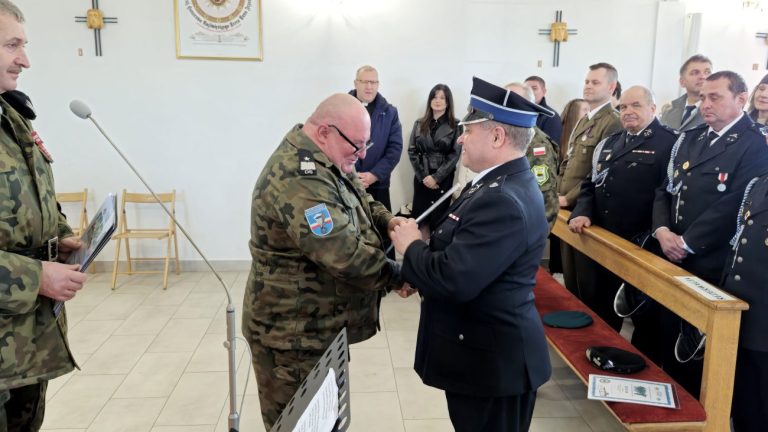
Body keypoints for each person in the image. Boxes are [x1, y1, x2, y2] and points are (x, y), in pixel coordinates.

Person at [391, 77, 552, 432]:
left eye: (468, 130)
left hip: (495, 366)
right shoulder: (492, 184)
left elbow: (455, 278)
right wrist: (415, 274)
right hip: (480, 359)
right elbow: (458, 252)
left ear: (497, 137)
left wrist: (411, 246)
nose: (460, 138)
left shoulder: (502, 198)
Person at [242, 93, 406, 430]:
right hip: (292, 339)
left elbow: (361, 198)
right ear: (324, 132)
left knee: (325, 420)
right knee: (301, 425)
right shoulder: (298, 177)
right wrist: (403, 274)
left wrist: (389, 222)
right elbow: (344, 255)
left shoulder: (327, 158)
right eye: (357, 145)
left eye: (366, 144)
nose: (362, 154)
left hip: (318, 331)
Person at [651, 71, 768, 397]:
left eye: (715, 97)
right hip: (670, 253)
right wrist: (662, 230)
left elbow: (736, 204)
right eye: (703, 97)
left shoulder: (754, 144)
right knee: (665, 336)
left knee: (695, 352)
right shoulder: (691, 138)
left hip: (710, 262)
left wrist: (687, 243)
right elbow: (665, 189)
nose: (705, 104)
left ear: (741, 99)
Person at [0, 1, 87, 430]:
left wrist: (60, 235)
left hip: (21, 348)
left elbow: (33, 195)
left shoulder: (12, 114)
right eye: (12, 45)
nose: (25, 60)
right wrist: (36, 276)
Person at [568, 86, 677, 331]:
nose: (628, 111)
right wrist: (582, 211)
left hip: (642, 244)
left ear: (653, 108)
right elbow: (590, 183)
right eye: (623, 107)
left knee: (643, 319)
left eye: (636, 105)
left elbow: (668, 194)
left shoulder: (670, 143)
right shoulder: (610, 142)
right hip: (605, 239)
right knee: (602, 311)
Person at [558, 63, 623, 294]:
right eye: (587, 81)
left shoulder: (613, 121)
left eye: (595, 82)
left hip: (586, 209)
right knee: (570, 278)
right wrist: (558, 191)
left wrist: (568, 198)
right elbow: (568, 161)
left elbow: (600, 170)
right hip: (566, 205)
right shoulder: (584, 120)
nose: (588, 86)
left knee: (587, 282)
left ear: (611, 87)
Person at [722, 173, 768, 432]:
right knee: (743, 403)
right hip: (741, 313)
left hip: (764, 324)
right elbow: (738, 245)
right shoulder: (759, 183)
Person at [505, 82, 560, 231]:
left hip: (523, 231)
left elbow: (547, 202)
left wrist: (531, 238)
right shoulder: (505, 137)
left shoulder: (538, 144)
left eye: (512, 101)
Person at [407, 84, 461, 233]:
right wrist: (423, 177)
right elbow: (412, 151)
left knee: (438, 219)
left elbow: (455, 154)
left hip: (443, 178)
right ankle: (417, 246)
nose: (438, 101)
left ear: (448, 102)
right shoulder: (419, 123)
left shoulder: (456, 125)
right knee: (419, 218)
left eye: (442, 98)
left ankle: (434, 247)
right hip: (421, 177)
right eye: (435, 97)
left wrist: (436, 177)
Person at [349, 65, 403, 212]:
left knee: (381, 224)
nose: (369, 86)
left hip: (378, 184)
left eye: (373, 82)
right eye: (364, 82)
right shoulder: (341, 108)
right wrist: (351, 175)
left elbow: (395, 149)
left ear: (378, 84)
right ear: (355, 83)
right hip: (347, 183)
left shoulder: (390, 112)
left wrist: (374, 175)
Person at [660, 54, 712, 131]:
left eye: (707, 72)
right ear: (682, 82)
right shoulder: (668, 111)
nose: (703, 77)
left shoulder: (718, 112)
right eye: (695, 72)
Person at [525, 75, 563, 147]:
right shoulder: (520, 113)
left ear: (544, 91)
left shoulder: (551, 116)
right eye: (526, 89)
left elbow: (551, 148)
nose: (530, 92)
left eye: (534, 88)